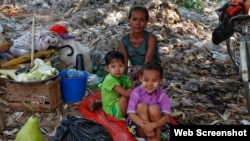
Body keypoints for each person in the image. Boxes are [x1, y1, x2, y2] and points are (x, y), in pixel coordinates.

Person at [126, 62, 171, 141]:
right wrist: (146, 127)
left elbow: (166, 117)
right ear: (140, 78)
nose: (150, 84)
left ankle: (157, 137)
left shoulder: (162, 94)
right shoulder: (136, 92)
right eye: (146, 80)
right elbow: (131, 114)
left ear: (160, 81)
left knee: (154, 108)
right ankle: (149, 136)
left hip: (156, 125)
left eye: (154, 80)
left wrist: (153, 125)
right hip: (140, 125)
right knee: (141, 106)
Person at [118, 5, 162, 82]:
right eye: (134, 19)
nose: (138, 23)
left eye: (142, 20)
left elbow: (148, 62)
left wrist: (137, 75)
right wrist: (123, 80)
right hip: (136, 71)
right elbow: (124, 64)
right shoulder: (124, 41)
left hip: (151, 69)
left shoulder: (151, 38)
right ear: (129, 20)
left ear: (146, 22)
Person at [95, 50, 134, 120]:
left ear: (125, 66)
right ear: (107, 68)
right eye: (113, 66)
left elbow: (132, 88)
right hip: (112, 110)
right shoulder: (110, 80)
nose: (117, 69)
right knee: (127, 95)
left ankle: (130, 111)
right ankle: (128, 114)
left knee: (131, 90)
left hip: (118, 102)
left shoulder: (123, 77)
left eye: (120, 66)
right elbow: (127, 94)